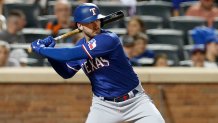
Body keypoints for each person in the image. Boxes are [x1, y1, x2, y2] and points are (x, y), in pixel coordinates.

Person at [31, 3, 165, 123]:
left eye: (97, 20)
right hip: (104, 106)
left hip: (135, 101)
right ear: (79, 25)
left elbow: (69, 54)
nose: (95, 25)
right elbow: (66, 73)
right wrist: (50, 55)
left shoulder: (109, 39)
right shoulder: (80, 46)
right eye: (89, 22)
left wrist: (43, 50)